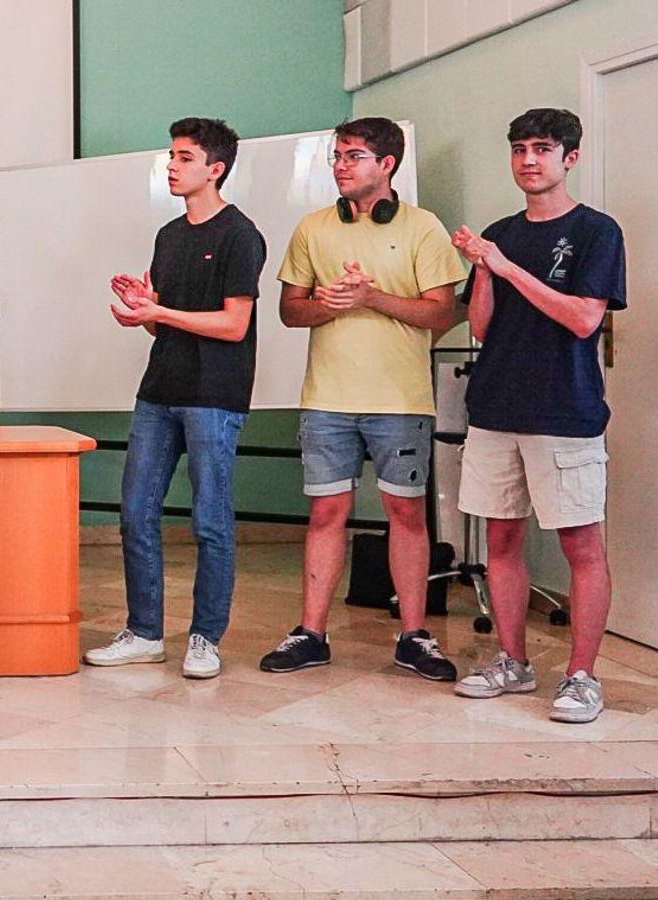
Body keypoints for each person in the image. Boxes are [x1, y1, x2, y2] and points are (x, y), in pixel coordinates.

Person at [262, 117, 467, 681]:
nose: (340, 166)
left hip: (400, 400)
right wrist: (327, 304)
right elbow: (290, 311)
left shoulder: (423, 227)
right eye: (337, 156)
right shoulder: (313, 228)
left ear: (387, 164)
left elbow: (441, 314)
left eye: (353, 156)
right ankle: (311, 633)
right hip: (327, 397)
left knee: (406, 514)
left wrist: (372, 297)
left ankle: (414, 635)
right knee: (327, 512)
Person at [451, 108, 626, 723]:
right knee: (501, 538)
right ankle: (513, 661)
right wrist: (483, 268)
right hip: (496, 408)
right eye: (520, 148)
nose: (529, 160)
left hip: (564, 411)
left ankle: (581, 676)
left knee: (581, 543)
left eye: (543, 148)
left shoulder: (596, 231)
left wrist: (507, 267)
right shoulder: (500, 233)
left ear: (569, 158)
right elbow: (480, 328)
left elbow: (583, 319)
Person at [84, 118, 267, 679]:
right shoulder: (169, 235)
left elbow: (234, 325)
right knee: (136, 514)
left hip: (215, 395)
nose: (172, 165)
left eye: (185, 157)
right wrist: (144, 308)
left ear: (215, 169)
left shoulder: (240, 235)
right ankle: (144, 632)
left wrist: (160, 310)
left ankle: (205, 638)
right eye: (171, 155)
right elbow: (162, 325)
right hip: (159, 390)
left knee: (210, 521)